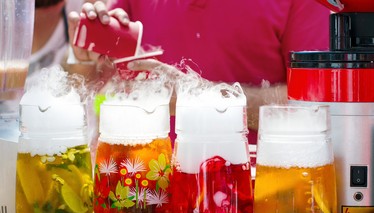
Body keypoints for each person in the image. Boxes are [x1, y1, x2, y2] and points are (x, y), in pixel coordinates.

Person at [67, 0, 330, 143]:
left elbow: (317, 107)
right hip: (150, 200)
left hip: (256, 205)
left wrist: (199, 98)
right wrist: (82, 56)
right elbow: (90, 84)